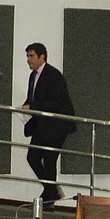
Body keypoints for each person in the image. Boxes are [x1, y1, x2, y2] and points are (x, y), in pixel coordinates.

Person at [22, 42, 75, 203]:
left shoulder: (53, 75)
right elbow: (33, 98)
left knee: (50, 161)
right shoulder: (33, 76)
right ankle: (51, 191)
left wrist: (32, 106)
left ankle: (49, 197)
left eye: (32, 56)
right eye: (27, 56)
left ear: (42, 57)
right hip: (41, 125)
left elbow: (57, 102)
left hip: (57, 126)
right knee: (32, 157)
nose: (29, 59)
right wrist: (24, 107)